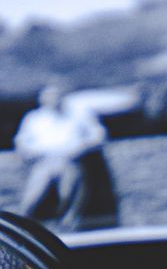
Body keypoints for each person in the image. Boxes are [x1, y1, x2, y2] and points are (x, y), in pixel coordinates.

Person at [14, 84, 117, 230]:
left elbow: (99, 135)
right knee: (34, 194)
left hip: (70, 160)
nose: (53, 100)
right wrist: (34, 151)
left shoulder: (78, 115)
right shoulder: (33, 118)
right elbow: (21, 142)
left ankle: (68, 221)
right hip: (45, 161)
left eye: (56, 96)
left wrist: (81, 146)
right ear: (41, 99)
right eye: (48, 96)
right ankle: (23, 223)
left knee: (68, 189)